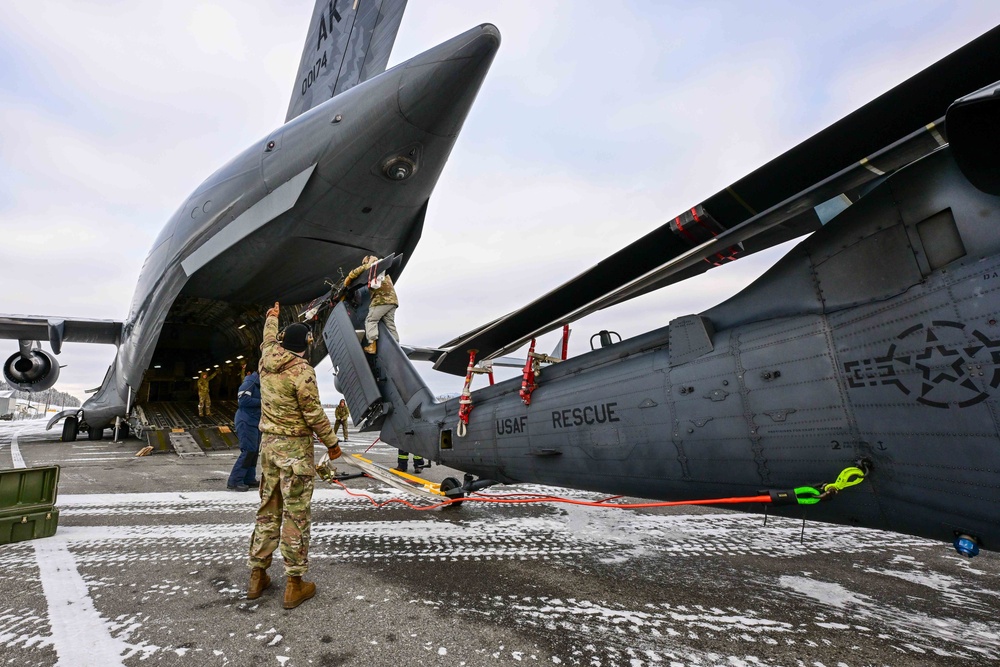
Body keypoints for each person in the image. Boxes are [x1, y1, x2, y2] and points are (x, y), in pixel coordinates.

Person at [246, 302, 342, 609]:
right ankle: (294, 584)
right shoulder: (303, 371)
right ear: (307, 346)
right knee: (296, 515)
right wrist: (332, 443)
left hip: (269, 448)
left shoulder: (265, 359)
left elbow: (266, 338)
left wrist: (271, 317)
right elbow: (313, 414)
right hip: (296, 452)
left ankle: (257, 575)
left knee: (267, 509)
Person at [344, 255, 398, 354]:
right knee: (390, 324)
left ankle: (372, 345)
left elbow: (358, 271)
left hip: (381, 300)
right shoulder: (383, 270)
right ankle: (396, 347)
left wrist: (348, 278)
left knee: (371, 320)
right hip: (392, 301)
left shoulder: (374, 266)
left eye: (364, 263)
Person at [227, 369, 261, 492]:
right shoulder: (250, 382)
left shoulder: (260, 383)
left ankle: (249, 478)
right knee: (248, 450)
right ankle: (235, 480)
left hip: (255, 421)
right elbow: (243, 400)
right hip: (246, 420)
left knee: (254, 450)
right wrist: (264, 402)